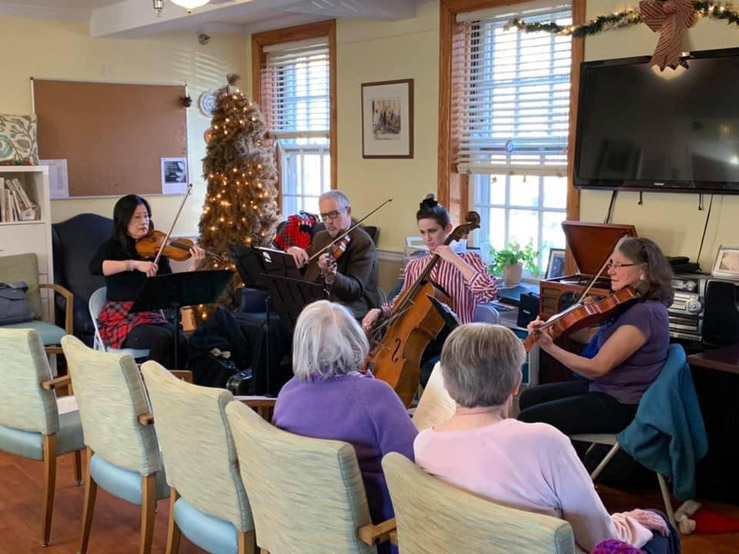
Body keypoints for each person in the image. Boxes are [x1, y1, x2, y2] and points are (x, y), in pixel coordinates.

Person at [414, 323, 678, 554]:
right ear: (517, 383)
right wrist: (631, 521)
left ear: (446, 383)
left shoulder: (423, 444)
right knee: (658, 523)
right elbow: (601, 539)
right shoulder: (544, 440)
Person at [272, 300, 417, 551]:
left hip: (302, 524)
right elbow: (415, 465)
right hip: (373, 534)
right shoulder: (375, 395)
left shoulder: (287, 393)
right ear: (356, 342)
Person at [517, 237, 673, 435]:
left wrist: (550, 348)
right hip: (605, 389)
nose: (610, 271)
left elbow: (596, 368)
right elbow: (596, 337)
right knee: (528, 398)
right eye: (610, 264)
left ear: (643, 270)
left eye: (618, 265)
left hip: (623, 404)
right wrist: (559, 328)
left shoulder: (645, 313)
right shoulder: (633, 304)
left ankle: (560, 463)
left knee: (530, 418)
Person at [361, 195, 498, 384]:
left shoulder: (470, 260)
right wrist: (379, 310)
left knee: (431, 373)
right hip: (424, 339)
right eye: (423, 232)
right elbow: (402, 300)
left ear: (448, 229)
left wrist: (455, 260)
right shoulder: (416, 266)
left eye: (432, 231)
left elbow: (488, 293)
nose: (427, 238)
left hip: (458, 342)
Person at [89, 194, 205, 369]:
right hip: (121, 318)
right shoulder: (112, 247)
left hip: (149, 315)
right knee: (162, 338)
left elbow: (171, 284)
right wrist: (134, 264)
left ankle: (176, 385)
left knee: (180, 339)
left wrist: (194, 266)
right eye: (137, 217)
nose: (144, 221)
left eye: (146, 216)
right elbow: (96, 267)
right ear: (123, 220)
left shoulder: (157, 249)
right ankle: (149, 385)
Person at [287, 190, 381, 319]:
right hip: (321, 301)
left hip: (353, 306)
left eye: (333, 214)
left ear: (348, 211)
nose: (328, 222)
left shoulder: (362, 242)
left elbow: (355, 290)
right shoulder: (321, 237)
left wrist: (332, 276)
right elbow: (305, 259)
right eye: (324, 216)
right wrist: (293, 251)